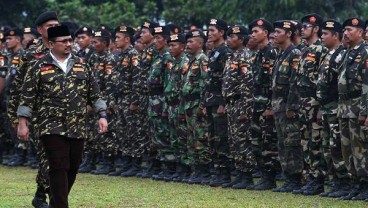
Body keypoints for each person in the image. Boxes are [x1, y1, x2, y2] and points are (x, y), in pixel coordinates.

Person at [17, 25, 108, 208]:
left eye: (70, 40)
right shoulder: (38, 66)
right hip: (50, 125)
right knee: (58, 165)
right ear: (51, 44)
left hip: (77, 126)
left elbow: (95, 94)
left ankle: (55, 203)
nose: (69, 44)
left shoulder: (83, 65)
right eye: (64, 41)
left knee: (73, 167)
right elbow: (27, 97)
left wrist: (102, 115)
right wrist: (22, 123)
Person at [293, 13, 328, 196]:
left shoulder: (321, 50)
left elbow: (322, 81)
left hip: (314, 102)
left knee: (316, 142)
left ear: (315, 29)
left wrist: (321, 106)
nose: (302, 30)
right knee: (305, 141)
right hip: (303, 102)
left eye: (306, 27)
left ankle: (318, 180)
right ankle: (309, 178)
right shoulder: (304, 50)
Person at [316, 19, 350, 198]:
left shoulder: (341, 55)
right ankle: (336, 181)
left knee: (337, 147)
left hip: (336, 108)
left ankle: (344, 182)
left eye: (325, 34)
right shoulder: (328, 54)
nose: (321, 37)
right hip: (326, 108)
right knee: (328, 146)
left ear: (335, 35)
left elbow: (340, 85)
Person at [338, 17, 368, 201]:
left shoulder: (365, 52)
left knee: (361, 148)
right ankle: (355, 182)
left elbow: (367, 85)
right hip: (344, 107)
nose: (346, 33)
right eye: (345, 30)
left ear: (361, 32)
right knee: (347, 148)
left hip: (358, 106)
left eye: (350, 30)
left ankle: (365, 184)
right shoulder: (347, 52)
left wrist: (365, 112)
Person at [271, 20, 303, 193]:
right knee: (283, 143)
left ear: (289, 34)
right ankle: (288, 176)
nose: (275, 35)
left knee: (292, 143)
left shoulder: (294, 54)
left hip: (287, 107)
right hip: (278, 106)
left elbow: (294, 83)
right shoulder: (280, 54)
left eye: (278, 32)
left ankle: (295, 178)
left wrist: (291, 106)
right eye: (274, 32)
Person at [248, 18, 280, 190]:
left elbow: (273, 84)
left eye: (255, 32)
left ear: (266, 33)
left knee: (269, 142)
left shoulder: (272, 54)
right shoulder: (258, 55)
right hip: (256, 104)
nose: (252, 35)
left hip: (267, 105)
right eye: (252, 32)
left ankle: (270, 177)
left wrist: (269, 106)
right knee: (257, 141)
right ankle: (263, 174)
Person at [221, 25, 255, 189]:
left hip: (240, 103)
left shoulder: (245, 56)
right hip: (231, 103)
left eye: (232, 37)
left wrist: (244, 109)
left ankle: (247, 175)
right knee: (234, 140)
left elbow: (247, 85)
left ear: (241, 39)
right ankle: (240, 173)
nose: (228, 39)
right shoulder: (232, 56)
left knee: (243, 140)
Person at [180, 29, 210, 184]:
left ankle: (204, 170)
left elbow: (205, 85)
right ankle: (195, 169)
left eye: (191, 41)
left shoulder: (203, 60)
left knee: (201, 137)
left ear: (200, 43)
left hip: (197, 104)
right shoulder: (189, 61)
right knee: (191, 138)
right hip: (188, 105)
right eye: (187, 41)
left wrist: (202, 106)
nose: (188, 44)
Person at [204, 18, 232, 186]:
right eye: (209, 30)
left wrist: (223, 102)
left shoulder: (225, 52)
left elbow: (226, 80)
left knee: (222, 137)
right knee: (213, 137)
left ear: (221, 32)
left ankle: (225, 172)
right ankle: (217, 170)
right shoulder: (214, 52)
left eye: (213, 30)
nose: (210, 33)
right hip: (210, 100)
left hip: (219, 101)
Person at [163, 33, 190, 181]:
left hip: (181, 105)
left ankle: (185, 168)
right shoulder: (174, 62)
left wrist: (180, 108)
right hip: (172, 105)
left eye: (174, 45)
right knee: (174, 137)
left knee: (182, 137)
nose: (171, 48)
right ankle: (178, 167)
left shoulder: (185, 62)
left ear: (182, 46)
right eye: (170, 45)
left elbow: (184, 88)